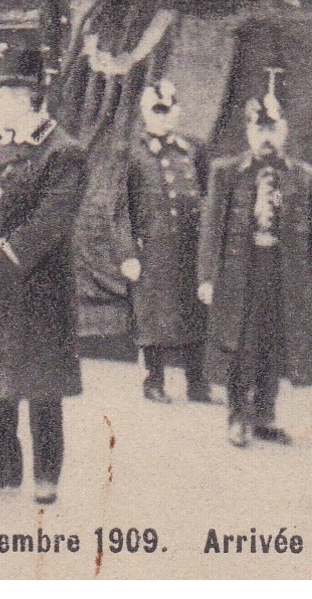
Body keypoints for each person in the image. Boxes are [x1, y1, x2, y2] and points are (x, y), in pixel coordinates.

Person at [0, 47, 89, 504]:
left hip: (38, 290)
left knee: (41, 387)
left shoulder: (63, 151)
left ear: (25, 97)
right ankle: (3, 470)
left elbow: (50, 222)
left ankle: (46, 475)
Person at [198, 87, 312, 450]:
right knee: (241, 343)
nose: (266, 137)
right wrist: (207, 276)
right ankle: (238, 415)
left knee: (275, 342)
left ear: (285, 132)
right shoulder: (227, 173)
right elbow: (211, 227)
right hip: (241, 270)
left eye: (273, 129)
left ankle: (266, 416)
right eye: (259, 129)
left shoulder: (303, 177)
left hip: (283, 272)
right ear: (248, 132)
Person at [119, 79, 209, 404]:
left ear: (177, 112)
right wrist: (128, 252)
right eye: (155, 111)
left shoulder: (193, 150)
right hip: (153, 248)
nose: (162, 117)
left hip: (189, 246)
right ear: (145, 113)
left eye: (167, 110)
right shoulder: (133, 154)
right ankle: (153, 380)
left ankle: (196, 381)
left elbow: (207, 196)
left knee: (194, 312)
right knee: (152, 317)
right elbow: (120, 209)